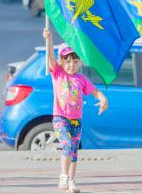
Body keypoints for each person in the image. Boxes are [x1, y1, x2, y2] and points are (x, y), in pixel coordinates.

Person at [43, 28, 109, 193]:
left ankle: (72, 182)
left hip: (76, 121)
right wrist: (49, 40)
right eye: (67, 61)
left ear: (79, 62)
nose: (71, 65)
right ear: (61, 62)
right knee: (66, 145)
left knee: (73, 152)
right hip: (60, 119)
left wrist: (103, 99)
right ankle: (63, 177)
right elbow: (50, 58)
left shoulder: (81, 79)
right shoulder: (58, 74)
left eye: (75, 61)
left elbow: (95, 92)